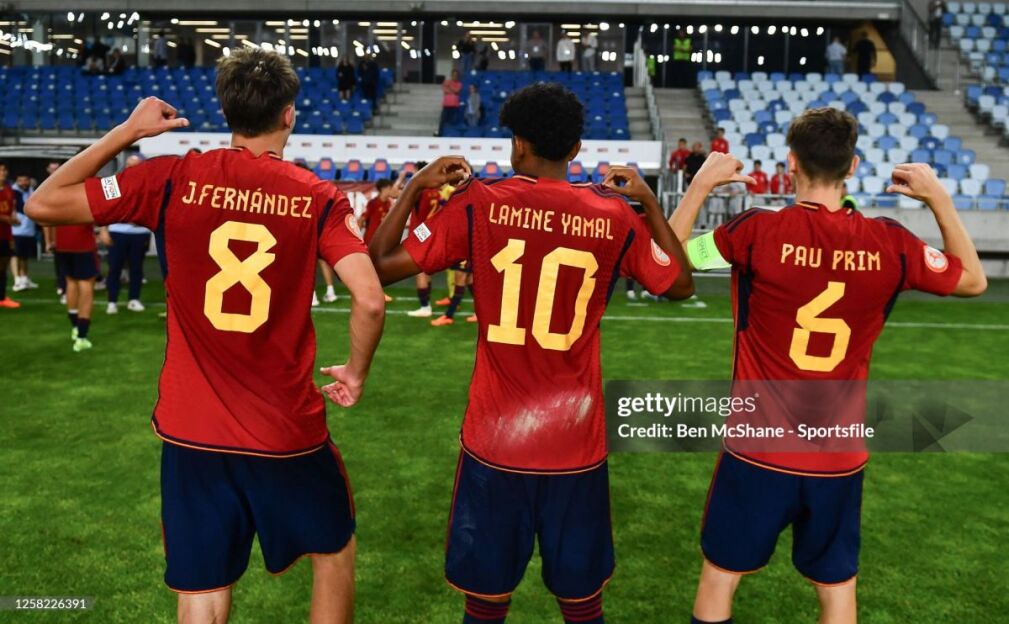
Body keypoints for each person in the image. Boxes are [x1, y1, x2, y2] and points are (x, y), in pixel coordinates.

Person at [26, 48, 386, 623]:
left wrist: (127, 131)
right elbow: (368, 299)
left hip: (191, 429)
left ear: (226, 111)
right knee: (333, 553)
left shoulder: (172, 178)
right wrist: (356, 374)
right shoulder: (316, 195)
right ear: (289, 114)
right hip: (284, 429)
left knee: (202, 588)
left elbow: (44, 202)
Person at [369, 82, 702, 624]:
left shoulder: (480, 203)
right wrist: (647, 201)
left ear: (518, 144)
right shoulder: (613, 215)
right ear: (576, 149)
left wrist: (414, 188)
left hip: (495, 442)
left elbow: (378, 265)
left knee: (485, 603)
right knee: (582, 604)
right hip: (576, 443)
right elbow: (681, 284)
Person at [667, 107, 987, 624]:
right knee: (837, 589)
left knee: (720, 577)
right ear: (853, 167)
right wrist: (939, 201)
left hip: (758, 449)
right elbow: (972, 279)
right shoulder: (891, 243)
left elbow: (669, 260)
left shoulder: (756, 232)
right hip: (838, 455)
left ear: (791, 162)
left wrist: (700, 185)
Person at [99, 153, 150, 314]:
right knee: (114, 267)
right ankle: (112, 301)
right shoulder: (112, 183)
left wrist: (143, 219)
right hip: (117, 231)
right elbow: (104, 208)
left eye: (135, 165)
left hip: (140, 232)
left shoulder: (150, 184)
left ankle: (133, 299)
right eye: (129, 165)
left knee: (136, 268)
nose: (131, 168)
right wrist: (103, 230)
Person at [11, 172, 39, 293]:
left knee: (24, 256)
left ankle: (24, 278)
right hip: (16, 230)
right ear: (16, 181)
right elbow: (23, 207)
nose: (23, 182)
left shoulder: (31, 190)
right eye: (20, 180)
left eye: (25, 180)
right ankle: (17, 280)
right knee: (15, 255)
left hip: (28, 229)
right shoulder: (13, 192)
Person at [0, 163, 20, 308]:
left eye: (4, 169)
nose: (3, 172)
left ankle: (2, 297)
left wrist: (13, 219)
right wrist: (6, 218)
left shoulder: (9, 190)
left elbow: (11, 210)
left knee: (3, 266)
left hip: (5, 234)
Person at [439, 69, 463, 136]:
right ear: (451, 75)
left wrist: (449, 86)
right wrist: (452, 91)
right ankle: (440, 134)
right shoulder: (446, 81)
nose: (455, 76)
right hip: (446, 105)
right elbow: (445, 90)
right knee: (442, 121)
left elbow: (457, 91)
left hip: (454, 106)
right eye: (453, 75)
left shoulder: (459, 84)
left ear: (458, 76)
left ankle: (450, 135)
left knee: (451, 122)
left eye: (456, 75)